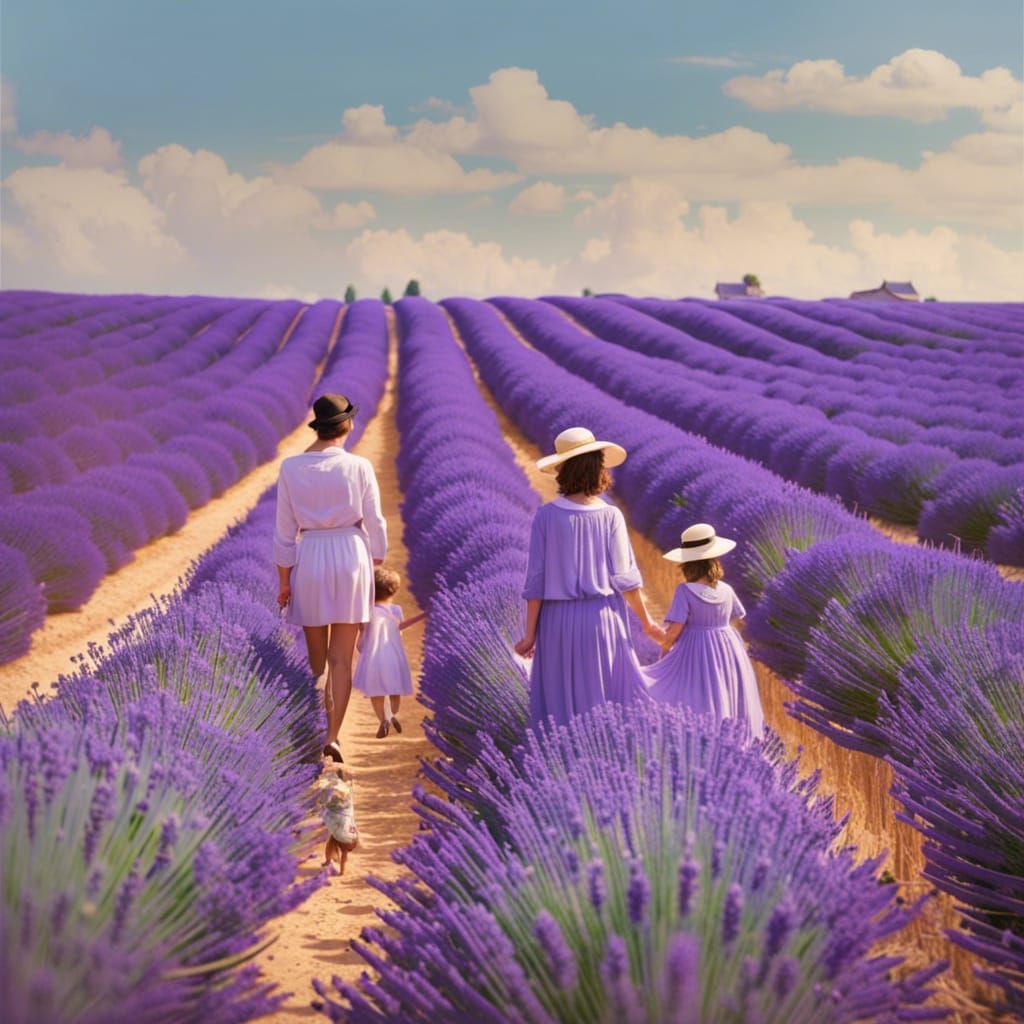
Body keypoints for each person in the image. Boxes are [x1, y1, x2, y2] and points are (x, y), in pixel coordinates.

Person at [515, 426, 664, 728]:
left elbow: (536, 582)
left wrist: (530, 634)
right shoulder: (611, 515)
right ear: (598, 468)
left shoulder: (546, 516)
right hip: (602, 619)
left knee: (561, 708)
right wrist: (647, 623)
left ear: (563, 471)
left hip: (557, 623)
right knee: (605, 702)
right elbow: (626, 578)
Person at [274, 393, 387, 762]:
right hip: (351, 555)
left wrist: (284, 581)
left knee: (318, 658)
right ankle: (333, 734)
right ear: (348, 425)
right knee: (343, 658)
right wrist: (376, 559)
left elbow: (283, 532)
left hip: (310, 555)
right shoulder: (359, 467)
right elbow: (376, 522)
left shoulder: (291, 468)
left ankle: (315, 709)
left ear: (318, 428)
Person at [644, 523, 765, 739]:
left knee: (697, 699)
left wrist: (656, 637)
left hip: (696, 650)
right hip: (729, 648)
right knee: (726, 695)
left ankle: (702, 742)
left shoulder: (685, 591)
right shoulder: (727, 590)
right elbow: (737, 619)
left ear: (687, 564)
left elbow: (672, 635)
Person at [352, 566, 423, 738]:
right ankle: (393, 714)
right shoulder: (396, 610)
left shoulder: (367, 610)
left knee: (376, 692)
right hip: (392, 653)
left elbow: (362, 632)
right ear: (393, 591)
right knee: (394, 689)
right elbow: (400, 629)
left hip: (372, 656)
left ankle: (383, 719)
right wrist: (422, 616)